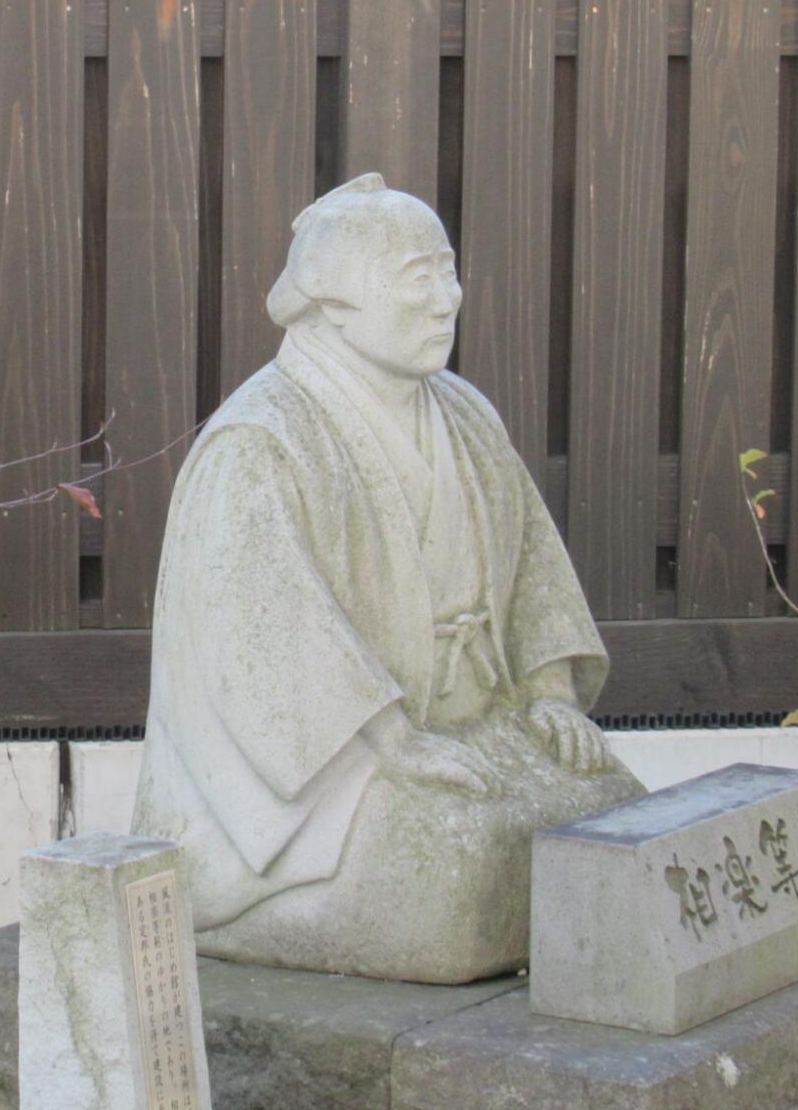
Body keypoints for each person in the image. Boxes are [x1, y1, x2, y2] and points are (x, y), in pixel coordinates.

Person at [130, 173, 644, 983]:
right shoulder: (261, 442)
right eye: (418, 279)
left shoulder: (464, 413)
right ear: (334, 304)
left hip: (478, 723)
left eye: (448, 273)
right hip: (314, 788)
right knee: (461, 874)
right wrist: (389, 740)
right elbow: (261, 642)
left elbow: (532, 568)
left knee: (613, 816)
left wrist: (548, 692)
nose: (447, 301)